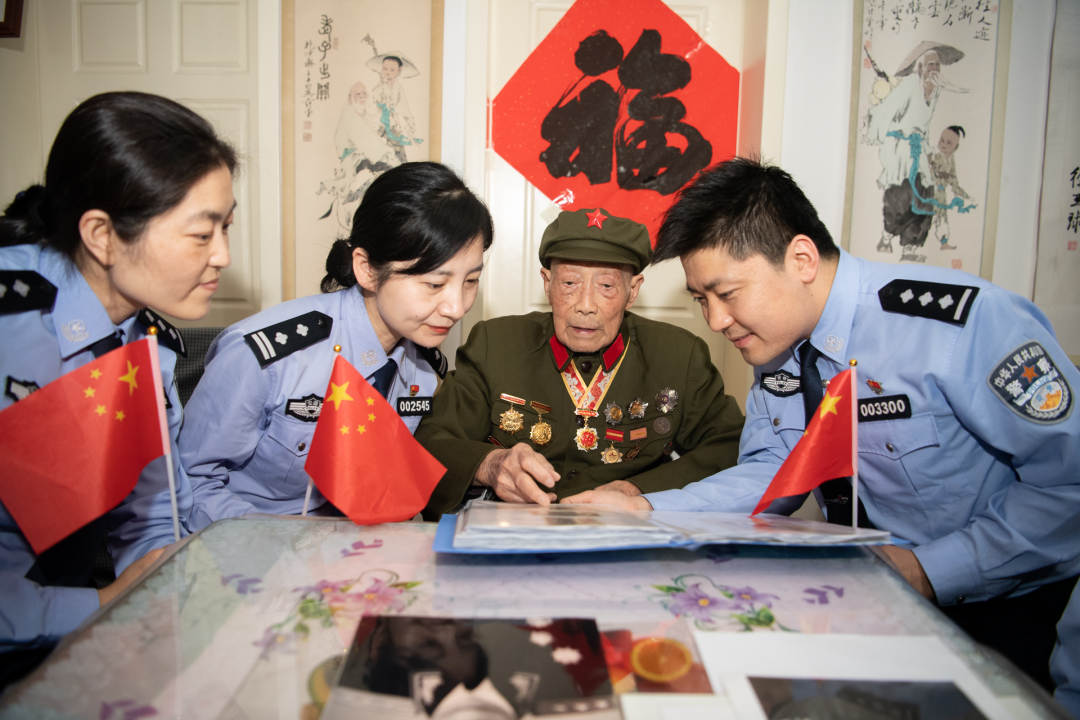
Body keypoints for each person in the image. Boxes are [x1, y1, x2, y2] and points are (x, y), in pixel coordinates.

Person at [565, 157, 1080, 692]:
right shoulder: (778, 345)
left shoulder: (959, 326)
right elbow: (777, 468)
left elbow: (1068, 486)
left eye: (727, 294)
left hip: (1002, 610)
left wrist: (929, 570)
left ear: (802, 259)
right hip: (867, 600)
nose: (716, 321)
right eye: (701, 301)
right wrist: (648, 509)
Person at [0, 91, 236, 683]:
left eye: (227, 228)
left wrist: (166, 583)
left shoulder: (149, 346)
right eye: (201, 235)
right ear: (102, 235)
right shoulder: (11, 328)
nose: (223, 257)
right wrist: (101, 604)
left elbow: (154, 511)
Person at [179, 162, 492, 528]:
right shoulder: (270, 356)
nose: (456, 307)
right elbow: (192, 484)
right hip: (253, 542)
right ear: (367, 269)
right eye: (434, 285)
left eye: (471, 281)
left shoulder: (423, 370)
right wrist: (281, 545)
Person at [416, 208, 744, 516]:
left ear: (632, 291)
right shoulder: (496, 344)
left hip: (627, 531)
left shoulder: (678, 355)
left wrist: (639, 491)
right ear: (547, 283)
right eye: (569, 284)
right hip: (517, 528)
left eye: (606, 286)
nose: (585, 305)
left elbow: (728, 445)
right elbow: (433, 441)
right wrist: (490, 465)